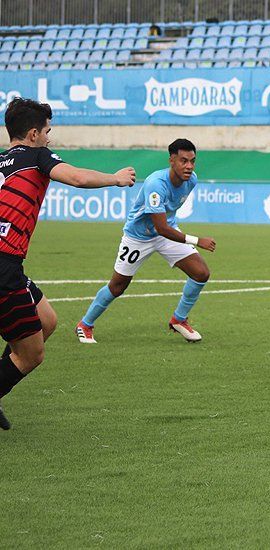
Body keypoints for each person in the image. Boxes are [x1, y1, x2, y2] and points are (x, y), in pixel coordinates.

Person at [0, 98, 135, 429]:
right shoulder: (37, 156)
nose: (49, 137)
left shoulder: (2, 161)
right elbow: (76, 177)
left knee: (46, 321)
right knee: (31, 354)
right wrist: (115, 179)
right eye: (47, 131)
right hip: (3, 268)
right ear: (33, 134)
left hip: (10, 266)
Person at [76, 139, 214, 344]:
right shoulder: (155, 184)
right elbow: (161, 227)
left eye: (192, 161)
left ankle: (179, 319)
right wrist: (197, 240)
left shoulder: (191, 180)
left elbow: (168, 220)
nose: (189, 166)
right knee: (118, 286)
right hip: (138, 237)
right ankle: (85, 324)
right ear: (171, 160)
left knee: (201, 272)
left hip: (167, 232)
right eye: (183, 161)